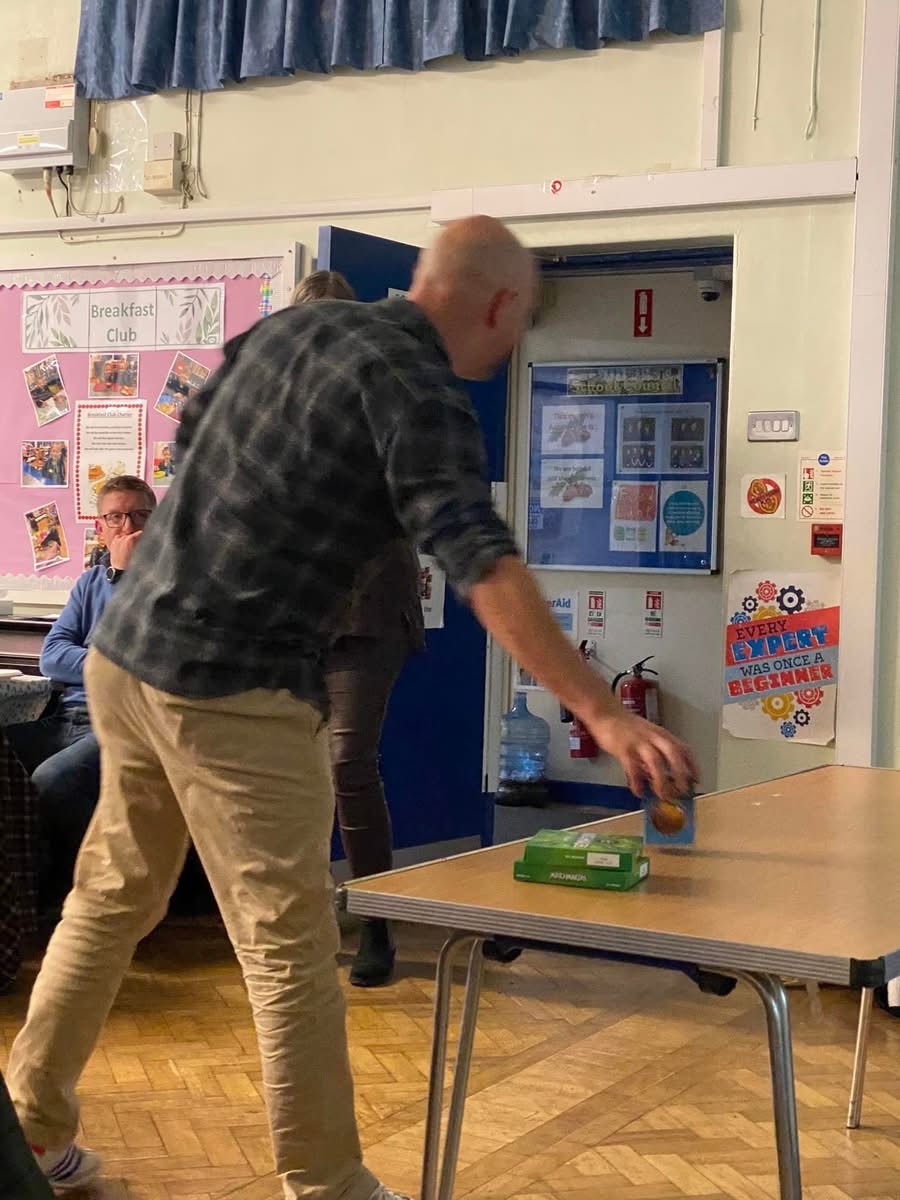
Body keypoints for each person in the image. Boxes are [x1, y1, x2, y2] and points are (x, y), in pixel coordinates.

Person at [6, 216, 697, 1199]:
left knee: (112, 897)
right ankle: (328, 1184)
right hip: (233, 685)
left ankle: (31, 1132)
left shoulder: (285, 331)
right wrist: (604, 712)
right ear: (501, 304)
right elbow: (483, 563)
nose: (514, 342)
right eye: (523, 320)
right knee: (287, 944)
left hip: (128, 658)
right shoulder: (417, 385)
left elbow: (191, 450)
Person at [294, 269, 425, 987]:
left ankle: (376, 922)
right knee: (292, 772)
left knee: (347, 764)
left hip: (368, 610)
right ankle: (306, 921)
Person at [7, 476, 156, 908]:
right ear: (101, 527)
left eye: (140, 515)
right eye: (116, 517)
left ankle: (85, 898)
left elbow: (145, 663)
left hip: (126, 726)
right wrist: (108, 664)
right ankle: (22, 889)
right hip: (68, 717)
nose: (129, 526)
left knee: (52, 781)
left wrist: (125, 576)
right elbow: (52, 655)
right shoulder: (90, 582)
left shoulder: (174, 585)